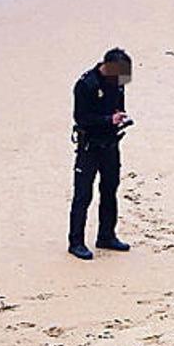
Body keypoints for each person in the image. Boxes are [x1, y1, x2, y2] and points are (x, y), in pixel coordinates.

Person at [68, 48, 134, 260]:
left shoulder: (119, 82)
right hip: (89, 147)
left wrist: (118, 116)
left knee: (110, 189)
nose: (122, 81)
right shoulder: (86, 85)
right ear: (107, 67)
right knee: (83, 194)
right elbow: (81, 118)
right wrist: (107, 120)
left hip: (110, 145)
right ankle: (75, 242)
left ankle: (106, 235)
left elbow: (117, 106)